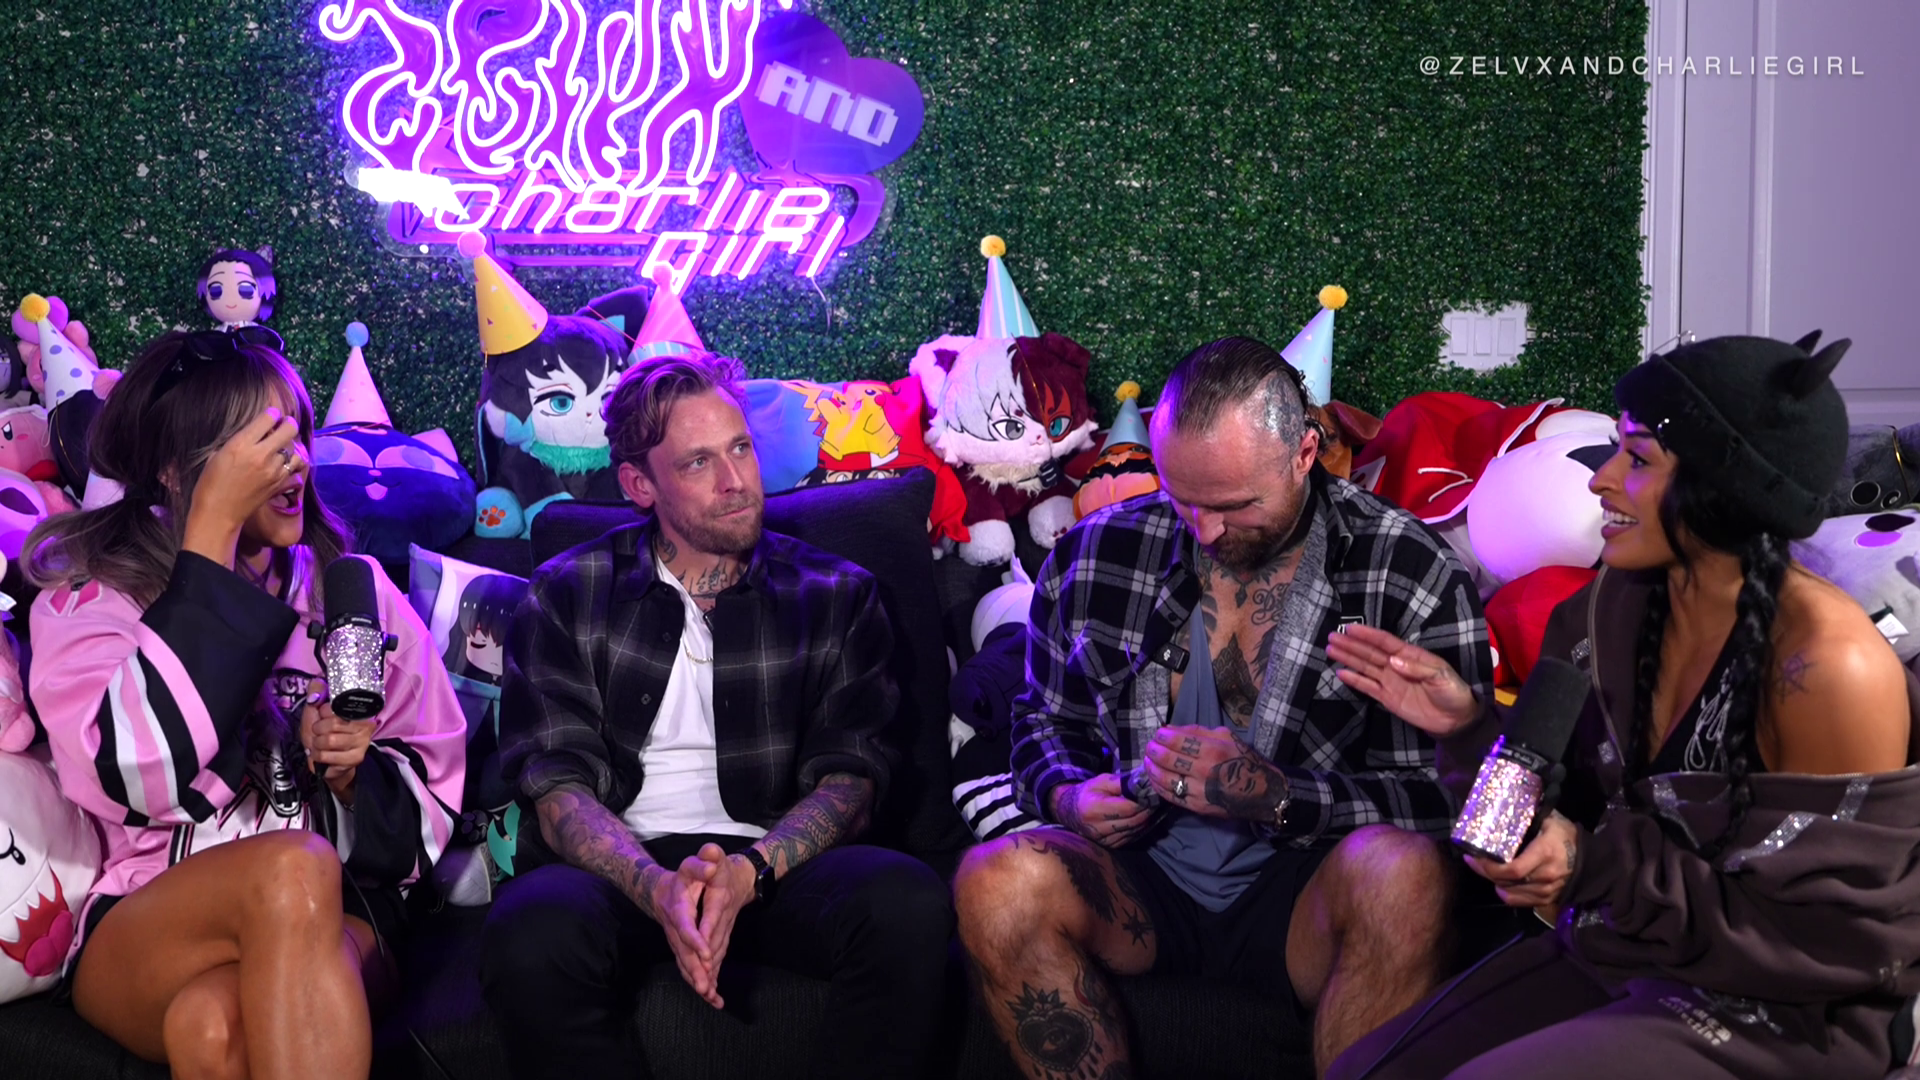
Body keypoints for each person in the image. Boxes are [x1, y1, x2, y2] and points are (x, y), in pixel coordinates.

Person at [1325, 333, 1920, 1080]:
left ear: (1725, 486)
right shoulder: (1610, 607)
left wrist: (1589, 866)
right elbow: (1532, 818)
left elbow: (1826, 948)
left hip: (1785, 1017)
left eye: (1636, 459)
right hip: (1623, 951)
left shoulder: (1829, 667)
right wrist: (1468, 727)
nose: (1600, 480)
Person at [955, 336, 1494, 1077]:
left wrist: (1277, 795)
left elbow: (1443, 805)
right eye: (1185, 501)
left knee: (1405, 878)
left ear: (1304, 453)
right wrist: (1069, 796)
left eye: (1236, 505)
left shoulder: (1407, 568)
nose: (1205, 532)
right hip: (1139, 882)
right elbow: (1043, 720)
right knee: (993, 884)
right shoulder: (1096, 552)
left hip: (1304, 889)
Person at [479, 350, 954, 1080]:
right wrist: (655, 887)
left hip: (775, 865)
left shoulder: (836, 593)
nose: (736, 482)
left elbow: (851, 780)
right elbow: (558, 790)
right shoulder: (566, 592)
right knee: (528, 931)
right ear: (639, 485)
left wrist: (747, 874)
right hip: (619, 871)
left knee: (907, 903)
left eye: (740, 449)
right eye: (699, 462)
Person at [24, 328, 467, 1079]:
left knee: (212, 1027)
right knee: (291, 868)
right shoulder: (94, 595)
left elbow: (433, 787)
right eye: (260, 445)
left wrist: (351, 775)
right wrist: (210, 540)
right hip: (150, 913)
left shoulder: (347, 591)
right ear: (175, 470)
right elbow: (135, 775)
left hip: (338, 913)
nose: (293, 464)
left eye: (295, 435)